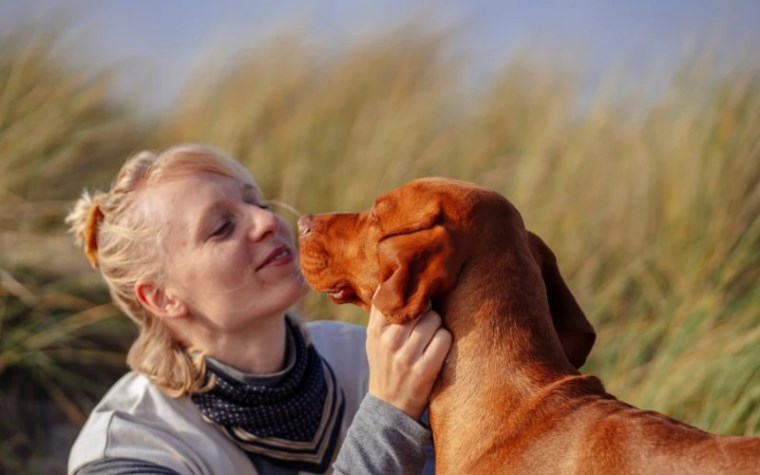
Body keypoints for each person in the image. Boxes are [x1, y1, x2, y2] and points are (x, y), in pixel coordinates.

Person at [65, 143, 452, 474]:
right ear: (162, 297)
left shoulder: (372, 358)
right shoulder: (128, 447)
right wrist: (389, 416)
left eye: (258, 202)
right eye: (221, 227)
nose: (267, 221)